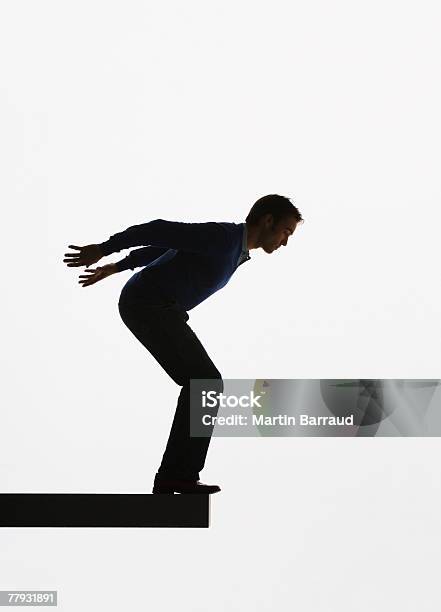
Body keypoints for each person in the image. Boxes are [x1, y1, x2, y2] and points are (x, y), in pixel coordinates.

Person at [63, 194, 303, 493]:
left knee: (205, 384)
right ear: (268, 220)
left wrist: (118, 267)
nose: (285, 242)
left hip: (158, 307)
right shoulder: (224, 237)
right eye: (285, 232)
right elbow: (158, 229)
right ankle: (177, 475)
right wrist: (104, 249)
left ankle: (175, 476)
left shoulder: (235, 252)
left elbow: (166, 248)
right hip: (148, 303)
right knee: (206, 383)